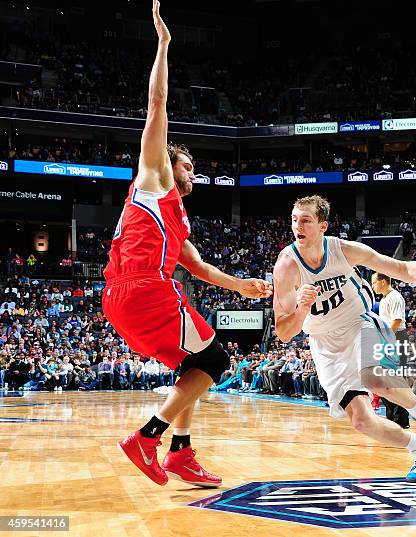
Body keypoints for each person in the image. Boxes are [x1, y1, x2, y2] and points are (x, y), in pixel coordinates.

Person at [103, 1, 272, 488]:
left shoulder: (175, 221)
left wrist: (241, 286)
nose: (192, 175)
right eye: (189, 167)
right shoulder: (155, 179)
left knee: (192, 367)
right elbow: (158, 105)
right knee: (217, 361)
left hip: (123, 299)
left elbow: (197, 267)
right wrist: (163, 45)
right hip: (142, 290)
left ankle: (180, 453)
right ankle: (148, 437)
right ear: (169, 165)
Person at [273, 195, 416, 482]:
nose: (298, 226)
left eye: (306, 220)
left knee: (373, 379)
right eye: (295, 220)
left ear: (323, 226)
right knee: (361, 421)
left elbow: (404, 270)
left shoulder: (343, 250)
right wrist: (302, 308)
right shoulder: (286, 266)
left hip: (360, 323)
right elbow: (284, 332)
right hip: (325, 344)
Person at [371, 272, 410, 429]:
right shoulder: (384, 299)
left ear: (383, 281)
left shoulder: (395, 297)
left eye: (374, 282)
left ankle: (401, 419)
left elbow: (396, 322)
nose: (373, 286)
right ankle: (392, 414)